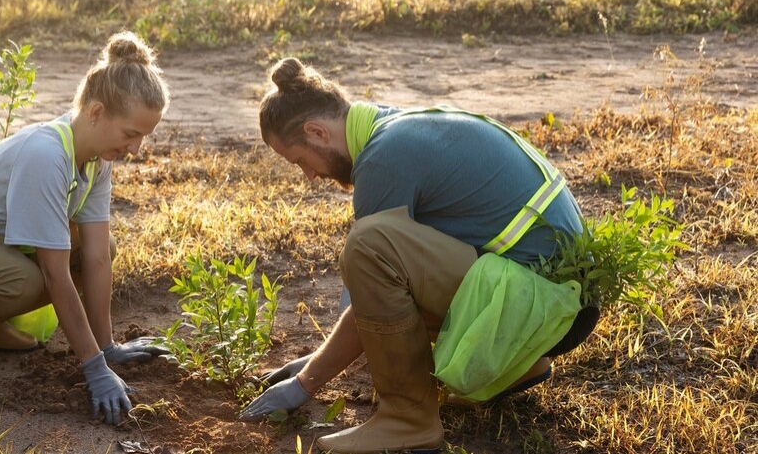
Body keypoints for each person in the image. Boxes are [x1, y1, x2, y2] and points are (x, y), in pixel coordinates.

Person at [238, 57, 584, 453]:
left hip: (548, 308)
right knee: (379, 258)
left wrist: (306, 382)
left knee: (368, 247)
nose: (310, 176)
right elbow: (383, 294)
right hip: (563, 300)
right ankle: (517, 365)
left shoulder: (384, 158)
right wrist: (320, 359)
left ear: (316, 132)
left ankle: (408, 420)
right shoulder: (396, 127)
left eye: (300, 161)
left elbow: (374, 290)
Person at [0, 31, 170, 426]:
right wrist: (94, 368)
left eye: (142, 137)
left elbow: (98, 256)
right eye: (131, 134)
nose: (135, 149)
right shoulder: (46, 154)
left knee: (98, 248)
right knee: (27, 280)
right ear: (97, 112)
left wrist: (108, 347)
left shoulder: (95, 161)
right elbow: (54, 275)